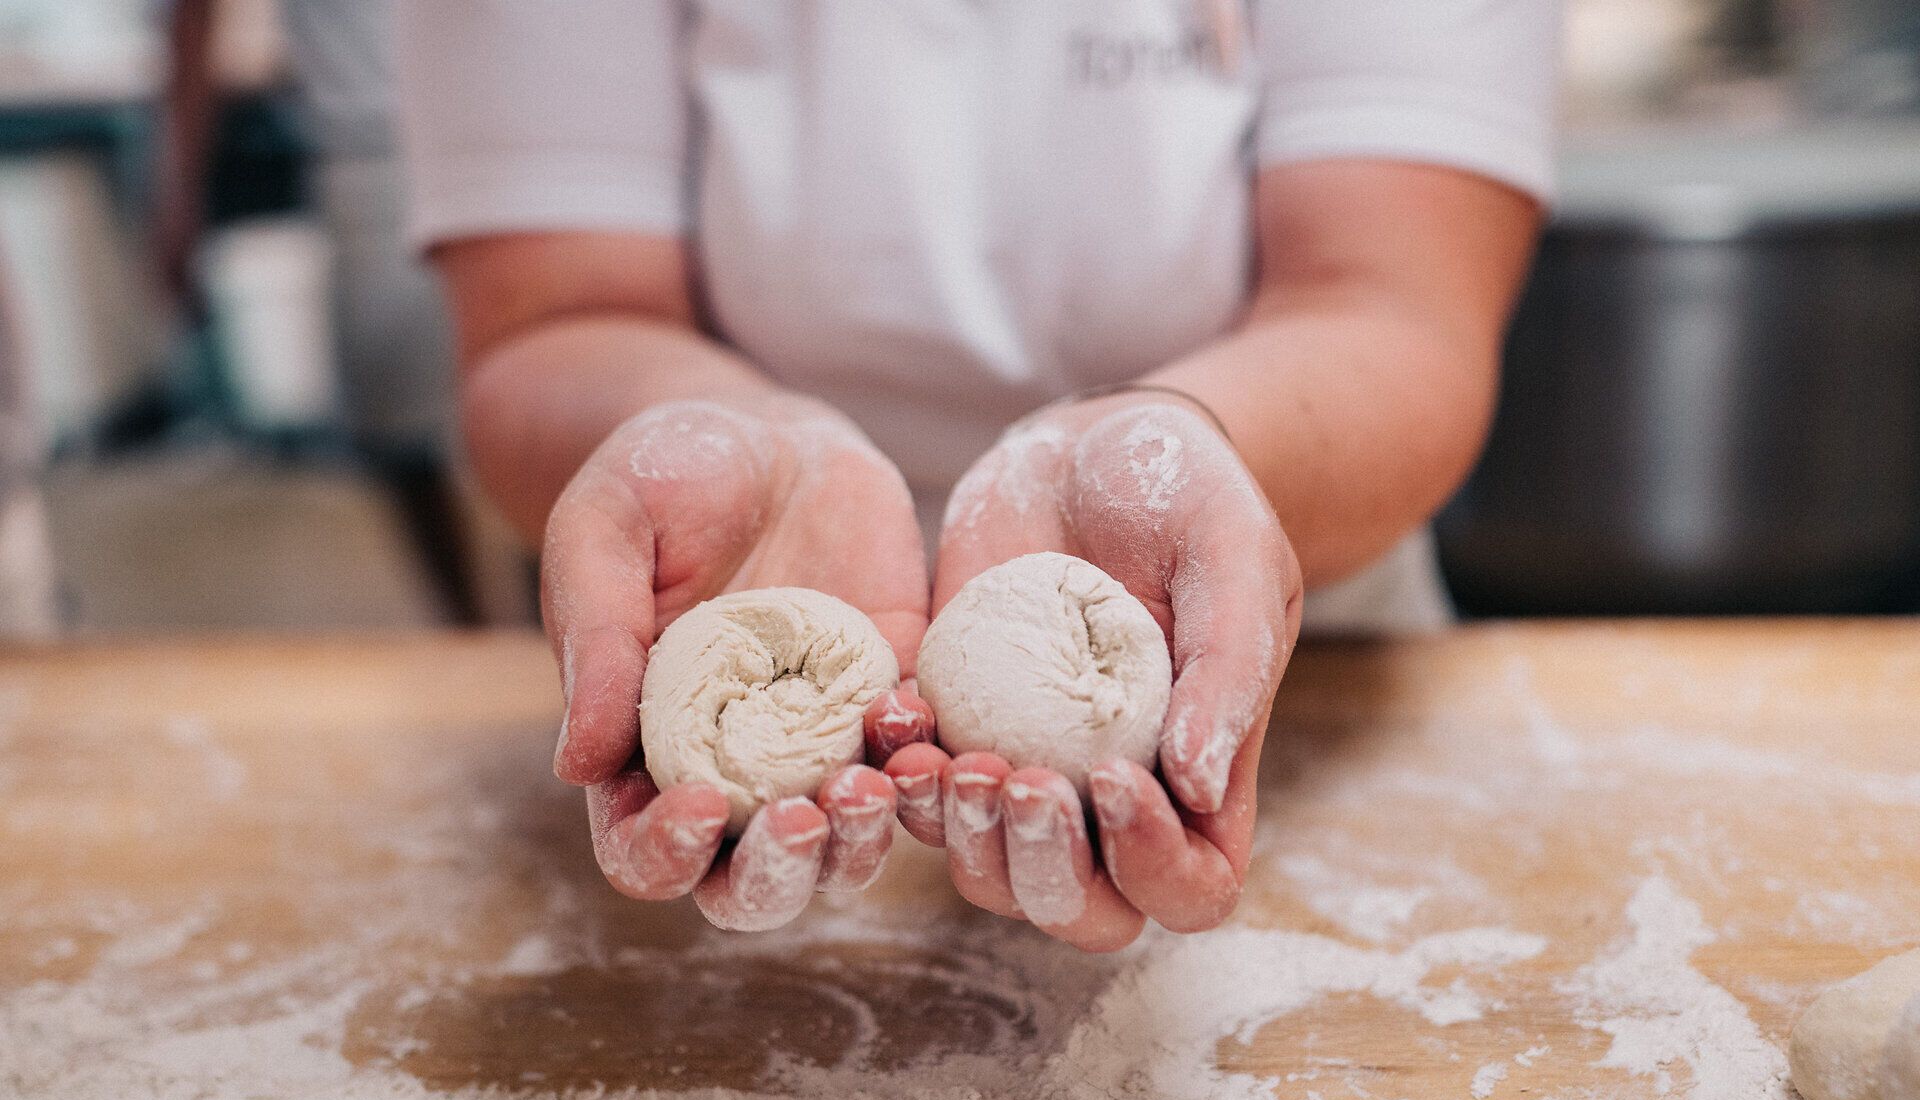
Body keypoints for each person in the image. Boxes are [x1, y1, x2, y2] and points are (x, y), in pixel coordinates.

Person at [394, 1, 1559, 951]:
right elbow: (553, 318)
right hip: (729, 580)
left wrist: (1179, 439)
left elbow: (1390, 306)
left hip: (1267, 670)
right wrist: (704, 430)